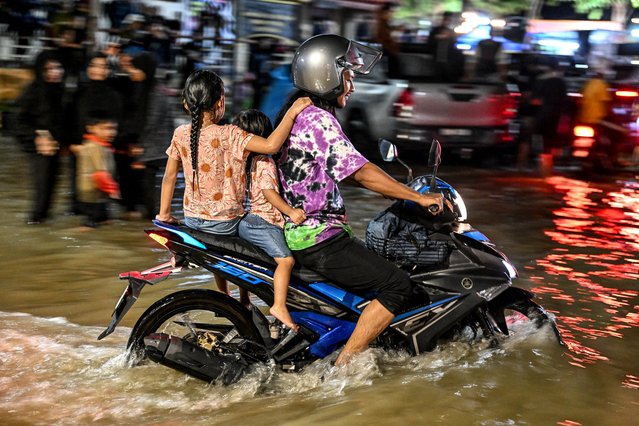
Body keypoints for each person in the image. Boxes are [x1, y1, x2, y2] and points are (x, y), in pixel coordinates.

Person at [275, 34, 446, 366]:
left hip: (310, 234)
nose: (351, 85)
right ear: (327, 75)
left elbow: (357, 172)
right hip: (318, 238)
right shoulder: (317, 120)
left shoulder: (304, 114)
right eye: (347, 75)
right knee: (398, 286)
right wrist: (418, 198)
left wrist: (396, 190)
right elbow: (361, 173)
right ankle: (345, 366)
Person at [154, 70, 311, 299]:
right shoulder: (231, 134)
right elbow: (271, 146)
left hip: (191, 219)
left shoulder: (180, 134)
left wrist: (164, 214)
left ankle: (228, 296)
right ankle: (251, 298)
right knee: (258, 224)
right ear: (220, 102)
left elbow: (168, 178)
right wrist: (293, 112)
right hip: (224, 225)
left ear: (186, 104)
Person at [233, 109, 306, 330]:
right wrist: (291, 211)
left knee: (248, 263)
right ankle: (279, 306)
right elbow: (268, 193)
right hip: (262, 222)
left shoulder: (245, 162)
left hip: (248, 221)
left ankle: (244, 299)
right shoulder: (265, 161)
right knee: (286, 261)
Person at [15, 50, 68, 224]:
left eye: (58, 67)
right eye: (49, 69)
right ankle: (34, 224)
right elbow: (15, 121)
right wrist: (37, 137)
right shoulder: (33, 92)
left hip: (56, 149)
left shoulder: (60, 91)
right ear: (40, 70)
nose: (55, 72)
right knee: (42, 194)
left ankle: (42, 226)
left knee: (51, 194)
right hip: (38, 150)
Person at [70, 52, 124, 214]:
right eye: (95, 65)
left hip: (104, 150)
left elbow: (117, 123)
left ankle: (95, 220)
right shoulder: (78, 94)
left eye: (104, 66)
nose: (99, 70)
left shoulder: (114, 96)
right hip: (80, 149)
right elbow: (70, 119)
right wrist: (73, 143)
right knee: (81, 187)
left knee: (101, 188)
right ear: (88, 69)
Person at [71, 110, 120, 228]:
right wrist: (113, 190)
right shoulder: (95, 147)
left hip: (96, 191)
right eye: (105, 128)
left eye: (113, 128)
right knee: (91, 224)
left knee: (103, 220)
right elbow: (101, 173)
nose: (111, 132)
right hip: (93, 192)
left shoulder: (98, 145)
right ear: (91, 128)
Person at [375, 2, 400, 78]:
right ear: (384, 12)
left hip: (387, 48)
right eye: (390, 12)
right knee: (392, 66)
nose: (391, 15)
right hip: (385, 48)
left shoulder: (385, 23)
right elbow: (383, 37)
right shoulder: (381, 23)